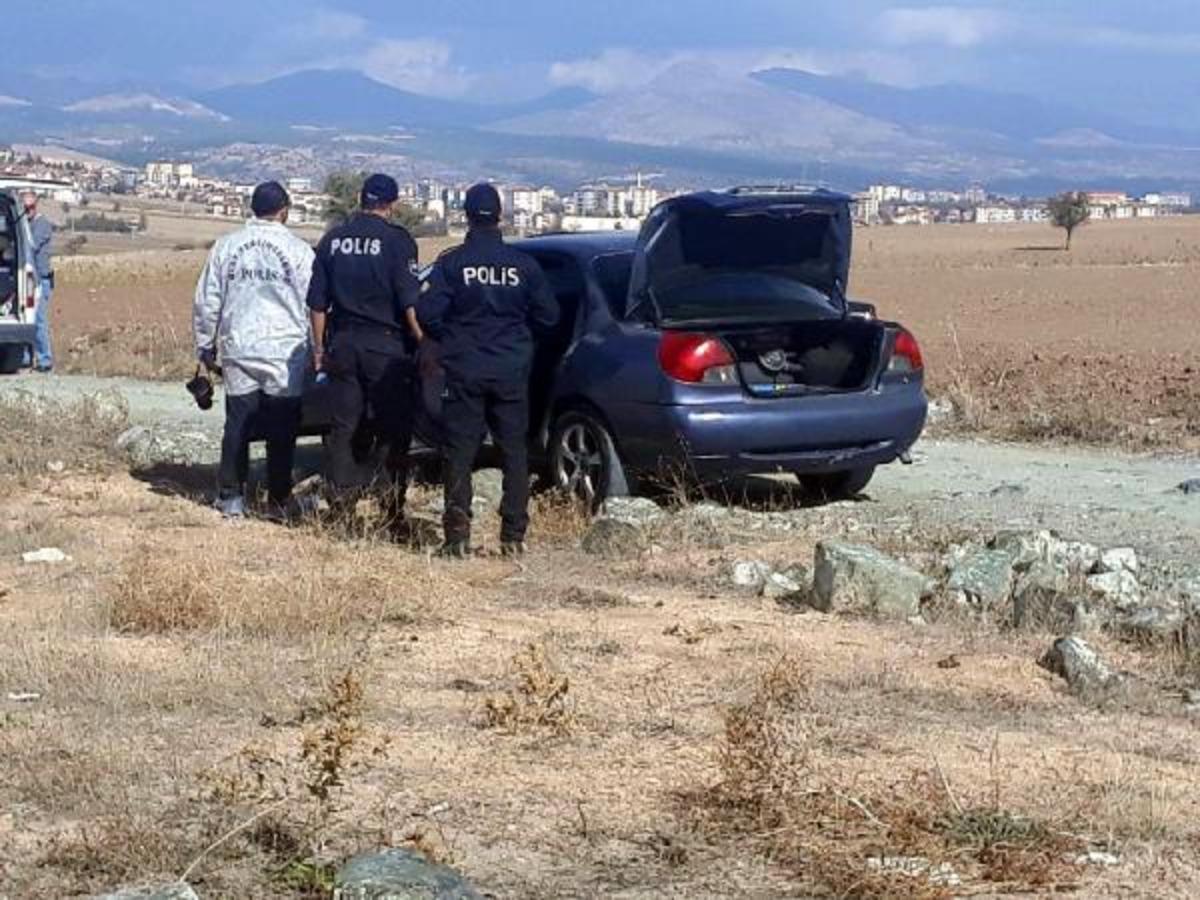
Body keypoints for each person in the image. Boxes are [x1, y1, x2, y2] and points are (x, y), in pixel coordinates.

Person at [418, 183, 558, 558]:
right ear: (499, 216)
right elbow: (550, 316)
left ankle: (457, 537)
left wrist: (452, 338)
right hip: (510, 368)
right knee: (514, 451)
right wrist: (522, 340)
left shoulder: (452, 263)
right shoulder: (523, 266)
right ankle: (513, 536)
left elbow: (428, 312)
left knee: (460, 452)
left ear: (466, 215)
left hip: (464, 369)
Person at [193, 181, 316, 518]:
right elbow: (314, 303)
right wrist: (317, 349)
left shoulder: (226, 246)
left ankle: (231, 496)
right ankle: (278, 499)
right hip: (284, 350)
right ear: (284, 210)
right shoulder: (299, 251)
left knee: (238, 423)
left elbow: (207, 301)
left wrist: (205, 346)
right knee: (282, 428)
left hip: (240, 345)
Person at [306, 173, 422, 519]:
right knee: (393, 426)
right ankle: (390, 506)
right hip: (386, 347)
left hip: (342, 343)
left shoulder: (333, 240)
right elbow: (409, 301)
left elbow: (317, 304)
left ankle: (342, 503)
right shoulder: (397, 241)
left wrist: (318, 349)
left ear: (361, 199)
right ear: (393, 204)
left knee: (343, 426)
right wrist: (424, 342)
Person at [21, 191, 54, 372]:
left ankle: (44, 360)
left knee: (39, 320)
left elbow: (31, 245)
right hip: (27, 278)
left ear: (36, 204)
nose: (28, 211)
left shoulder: (42, 224)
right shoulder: (24, 224)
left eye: (30, 207)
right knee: (26, 319)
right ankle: (25, 358)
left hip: (41, 279)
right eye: (25, 208)